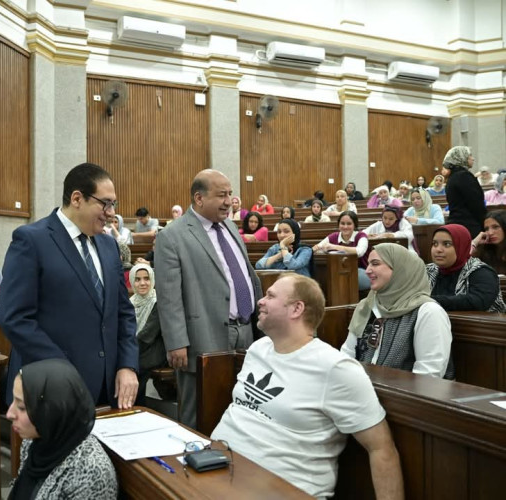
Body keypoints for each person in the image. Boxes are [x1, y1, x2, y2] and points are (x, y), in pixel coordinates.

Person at [211, 275, 403, 499]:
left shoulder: (335, 368)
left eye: (270, 296)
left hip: (281, 491)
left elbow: (381, 448)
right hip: (216, 469)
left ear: (296, 309)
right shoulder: (258, 349)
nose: (260, 301)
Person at [0, 163, 139, 410]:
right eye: (105, 203)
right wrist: (61, 370)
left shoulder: (109, 246)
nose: (111, 213)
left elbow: (123, 312)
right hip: (50, 389)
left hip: (107, 390)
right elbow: (15, 318)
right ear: (77, 199)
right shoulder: (32, 240)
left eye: (113, 204)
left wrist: (127, 365)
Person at [156, 169, 262, 429]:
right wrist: (176, 342)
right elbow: (169, 296)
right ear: (199, 198)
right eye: (221, 195)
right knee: (200, 413)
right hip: (203, 336)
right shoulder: (173, 235)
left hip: (245, 331)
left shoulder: (230, 227)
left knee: (243, 408)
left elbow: (244, 273)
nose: (229, 201)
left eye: (230, 194)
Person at [7, 359, 117, 500]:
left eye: (22, 407)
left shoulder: (91, 472)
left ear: (52, 411)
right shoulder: (35, 440)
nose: (9, 414)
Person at [341, 244, 454, 378]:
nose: (367, 270)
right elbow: (347, 355)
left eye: (375, 264)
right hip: (360, 385)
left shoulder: (429, 312)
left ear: (400, 269)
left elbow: (429, 374)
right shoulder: (367, 305)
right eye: (368, 264)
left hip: (405, 390)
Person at [426, 224, 506, 313]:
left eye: (447, 244)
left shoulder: (481, 271)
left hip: (479, 322)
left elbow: (478, 301)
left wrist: (428, 301)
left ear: (461, 246)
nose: (438, 249)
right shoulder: (428, 270)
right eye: (435, 244)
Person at [128, 263, 168, 405]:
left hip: (153, 350)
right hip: (137, 348)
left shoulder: (158, 302)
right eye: (137, 279)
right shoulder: (130, 303)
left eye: (147, 278)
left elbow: (147, 335)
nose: (142, 283)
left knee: (133, 366)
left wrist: (128, 351)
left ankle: (135, 405)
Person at [313, 211, 371, 290]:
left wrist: (334, 247)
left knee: (343, 278)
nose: (345, 227)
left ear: (355, 225)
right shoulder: (334, 236)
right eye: (342, 223)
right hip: (337, 271)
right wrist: (317, 248)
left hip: (361, 271)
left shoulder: (361, 236)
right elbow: (317, 247)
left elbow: (359, 252)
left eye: (349, 224)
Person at [443, 145, 485, 239]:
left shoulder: (452, 177)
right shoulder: (464, 176)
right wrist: (484, 225)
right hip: (468, 227)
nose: (473, 158)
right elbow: (476, 204)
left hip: (456, 225)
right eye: (470, 155)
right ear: (461, 157)